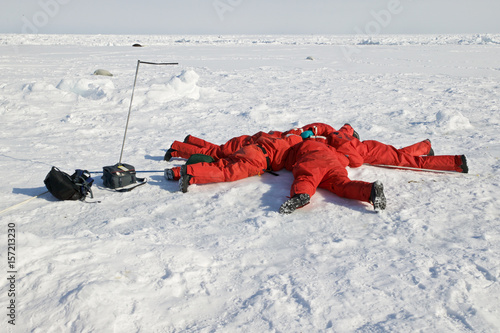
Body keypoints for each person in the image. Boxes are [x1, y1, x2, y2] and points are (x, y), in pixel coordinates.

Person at [167, 134, 303, 193]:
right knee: (224, 171)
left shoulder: (288, 138)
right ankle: (186, 173)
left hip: (252, 148)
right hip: (259, 160)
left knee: (217, 157)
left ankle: (178, 159)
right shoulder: (298, 150)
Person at [279, 139, 386, 214]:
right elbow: (344, 159)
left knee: (307, 177)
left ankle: (300, 195)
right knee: (343, 185)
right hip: (333, 163)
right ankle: (370, 190)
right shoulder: (332, 149)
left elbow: (287, 158)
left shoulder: (303, 144)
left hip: (312, 159)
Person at [163, 123, 356, 162]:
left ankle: (188, 142)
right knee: (217, 155)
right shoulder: (324, 137)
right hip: (256, 145)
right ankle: (177, 149)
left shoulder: (318, 133)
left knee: (219, 151)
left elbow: (315, 127)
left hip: (256, 140)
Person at [326, 130, 468, 173]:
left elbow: (357, 162)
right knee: (400, 154)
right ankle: (424, 147)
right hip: (373, 146)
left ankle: (456, 162)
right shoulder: (334, 135)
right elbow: (347, 128)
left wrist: (345, 159)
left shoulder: (339, 147)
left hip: (377, 154)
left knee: (415, 163)